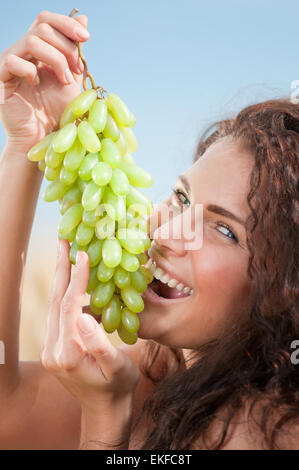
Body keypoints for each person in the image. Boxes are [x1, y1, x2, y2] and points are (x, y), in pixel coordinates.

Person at [0, 11, 298, 451]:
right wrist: (26, 146)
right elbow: (8, 411)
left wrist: (104, 426)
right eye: (180, 197)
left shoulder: (262, 430)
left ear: (285, 290)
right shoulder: (159, 371)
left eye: (224, 229)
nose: (169, 232)